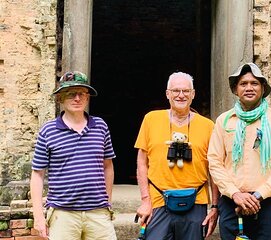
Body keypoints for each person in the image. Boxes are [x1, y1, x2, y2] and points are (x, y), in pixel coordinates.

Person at [207, 62, 271, 240]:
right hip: (232, 202)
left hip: (267, 203)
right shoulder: (224, 121)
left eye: (254, 83)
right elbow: (215, 162)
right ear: (235, 89)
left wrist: (258, 196)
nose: (249, 88)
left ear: (263, 88)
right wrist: (235, 193)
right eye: (243, 84)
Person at [30, 71, 117, 240]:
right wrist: (38, 216)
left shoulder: (100, 126)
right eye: (71, 93)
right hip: (63, 215)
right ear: (60, 98)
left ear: (87, 97)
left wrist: (107, 203)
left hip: (98, 214)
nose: (77, 98)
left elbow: (108, 166)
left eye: (82, 93)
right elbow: (37, 175)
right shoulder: (48, 131)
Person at [134, 71, 220, 240]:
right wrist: (145, 200)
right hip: (158, 200)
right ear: (168, 94)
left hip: (196, 201)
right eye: (176, 91)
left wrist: (215, 207)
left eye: (186, 91)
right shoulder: (151, 119)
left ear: (193, 94)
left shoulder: (208, 126)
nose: (181, 95)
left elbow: (214, 168)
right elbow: (142, 162)